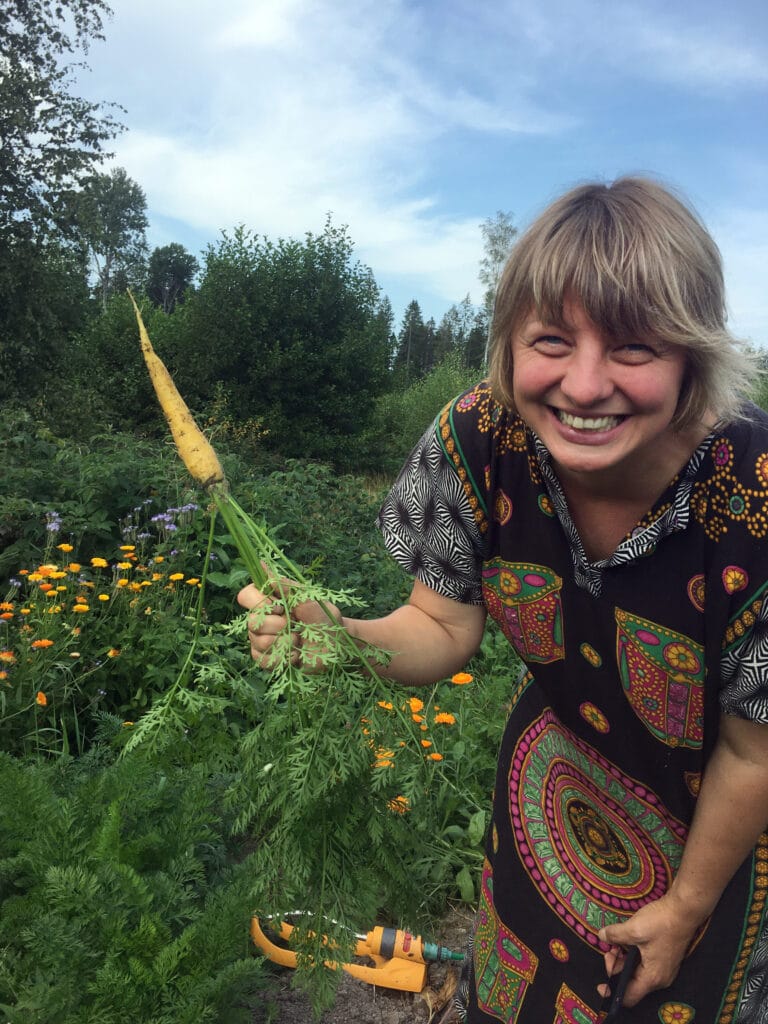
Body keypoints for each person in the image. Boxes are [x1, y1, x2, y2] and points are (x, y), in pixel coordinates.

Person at [238, 177, 768, 1023]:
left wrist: (685, 910)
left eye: (634, 348)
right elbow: (439, 623)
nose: (584, 386)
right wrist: (338, 635)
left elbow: (755, 752)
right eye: (551, 339)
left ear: (691, 357)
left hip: (723, 845)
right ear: (510, 342)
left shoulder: (755, 494)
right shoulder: (479, 441)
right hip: (546, 807)